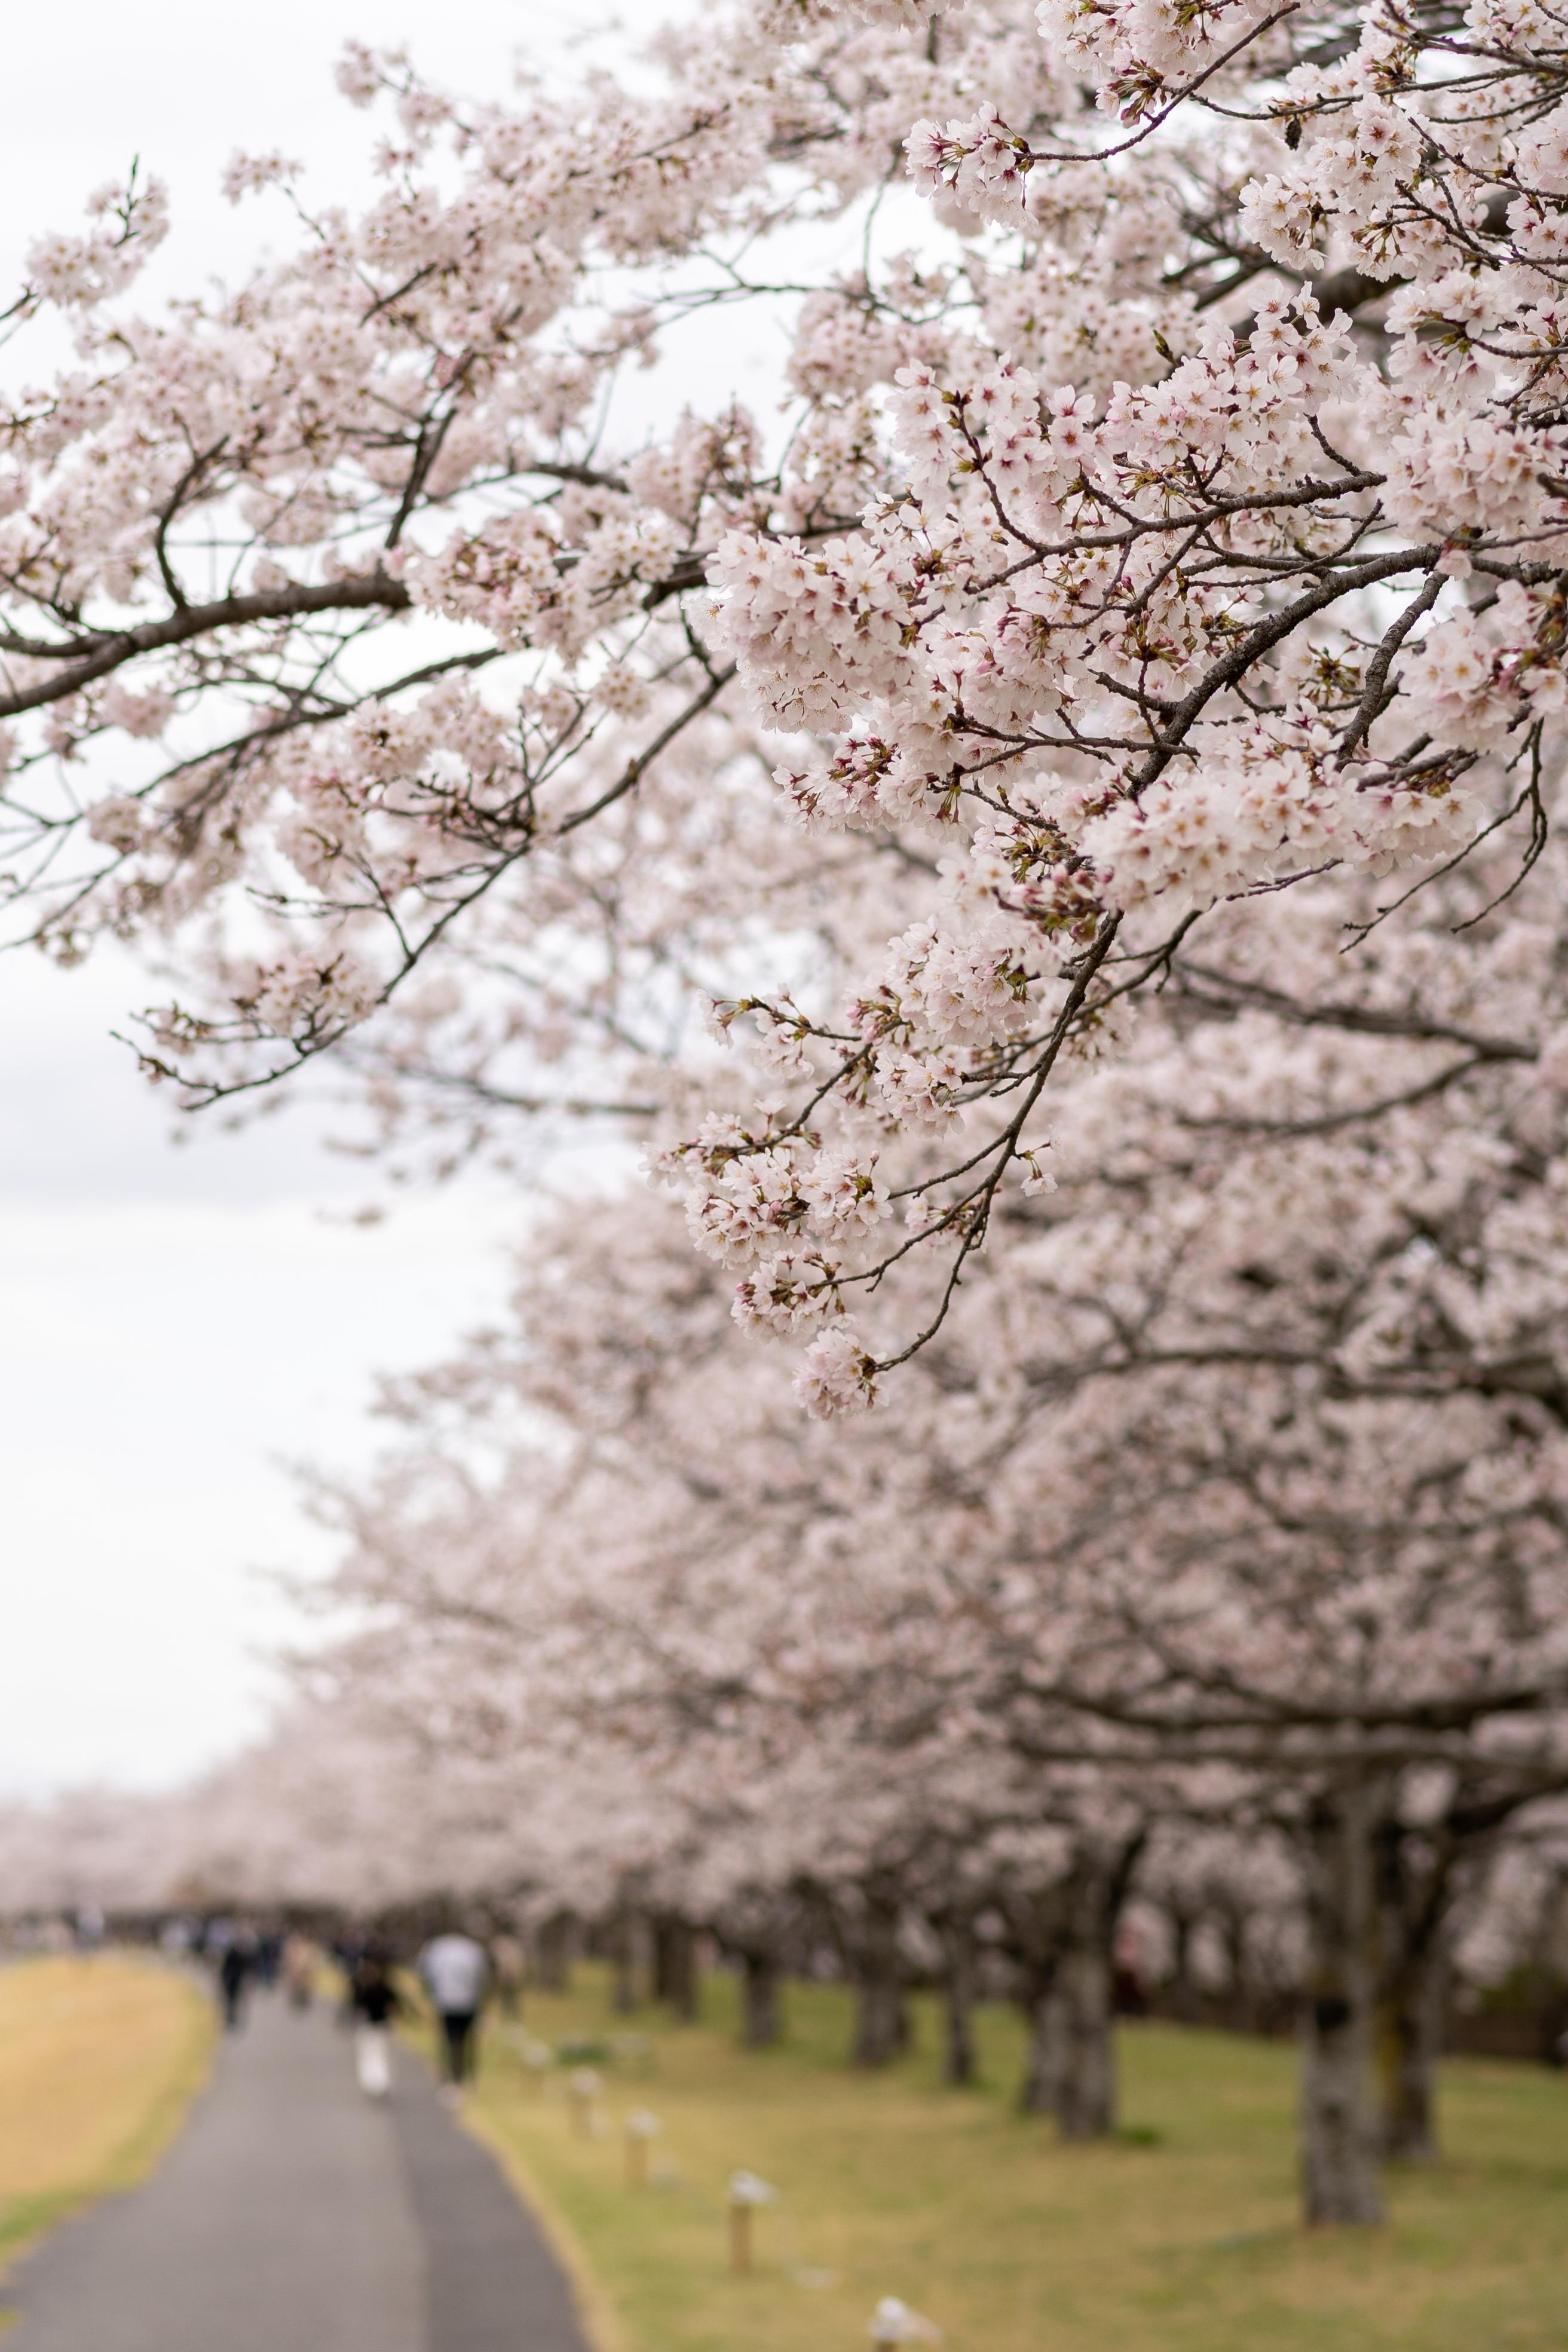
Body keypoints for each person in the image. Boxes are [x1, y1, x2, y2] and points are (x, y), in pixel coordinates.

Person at [418, 1925, 489, 2097]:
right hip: (469, 2002)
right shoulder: (474, 1950)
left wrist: (430, 1994)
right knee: (467, 2041)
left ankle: (447, 2078)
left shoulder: (437, 1948)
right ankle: (465, 2079)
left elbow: (426, 1973)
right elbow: (483, 1977)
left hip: (445, 2002)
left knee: (449, 2040)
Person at [350, 1945, 403, 2097]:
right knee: (370, 2055)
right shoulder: (362, 1984)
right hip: (368, 2026)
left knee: (378, 2054)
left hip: (379, 2025)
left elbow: (394, 2005)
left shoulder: (380, 1986)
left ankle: (379, 2082)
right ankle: (373, 2082)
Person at [218, 1925, 258, 2031]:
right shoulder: (234, 1951)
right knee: (231, 2000)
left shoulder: (244, 1952)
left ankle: (233, 2017)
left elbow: (248, 1967)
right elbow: (226, 1967)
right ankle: (230, 2017)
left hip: (237, 1979)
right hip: (232, 1979)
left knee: (236, 2000)